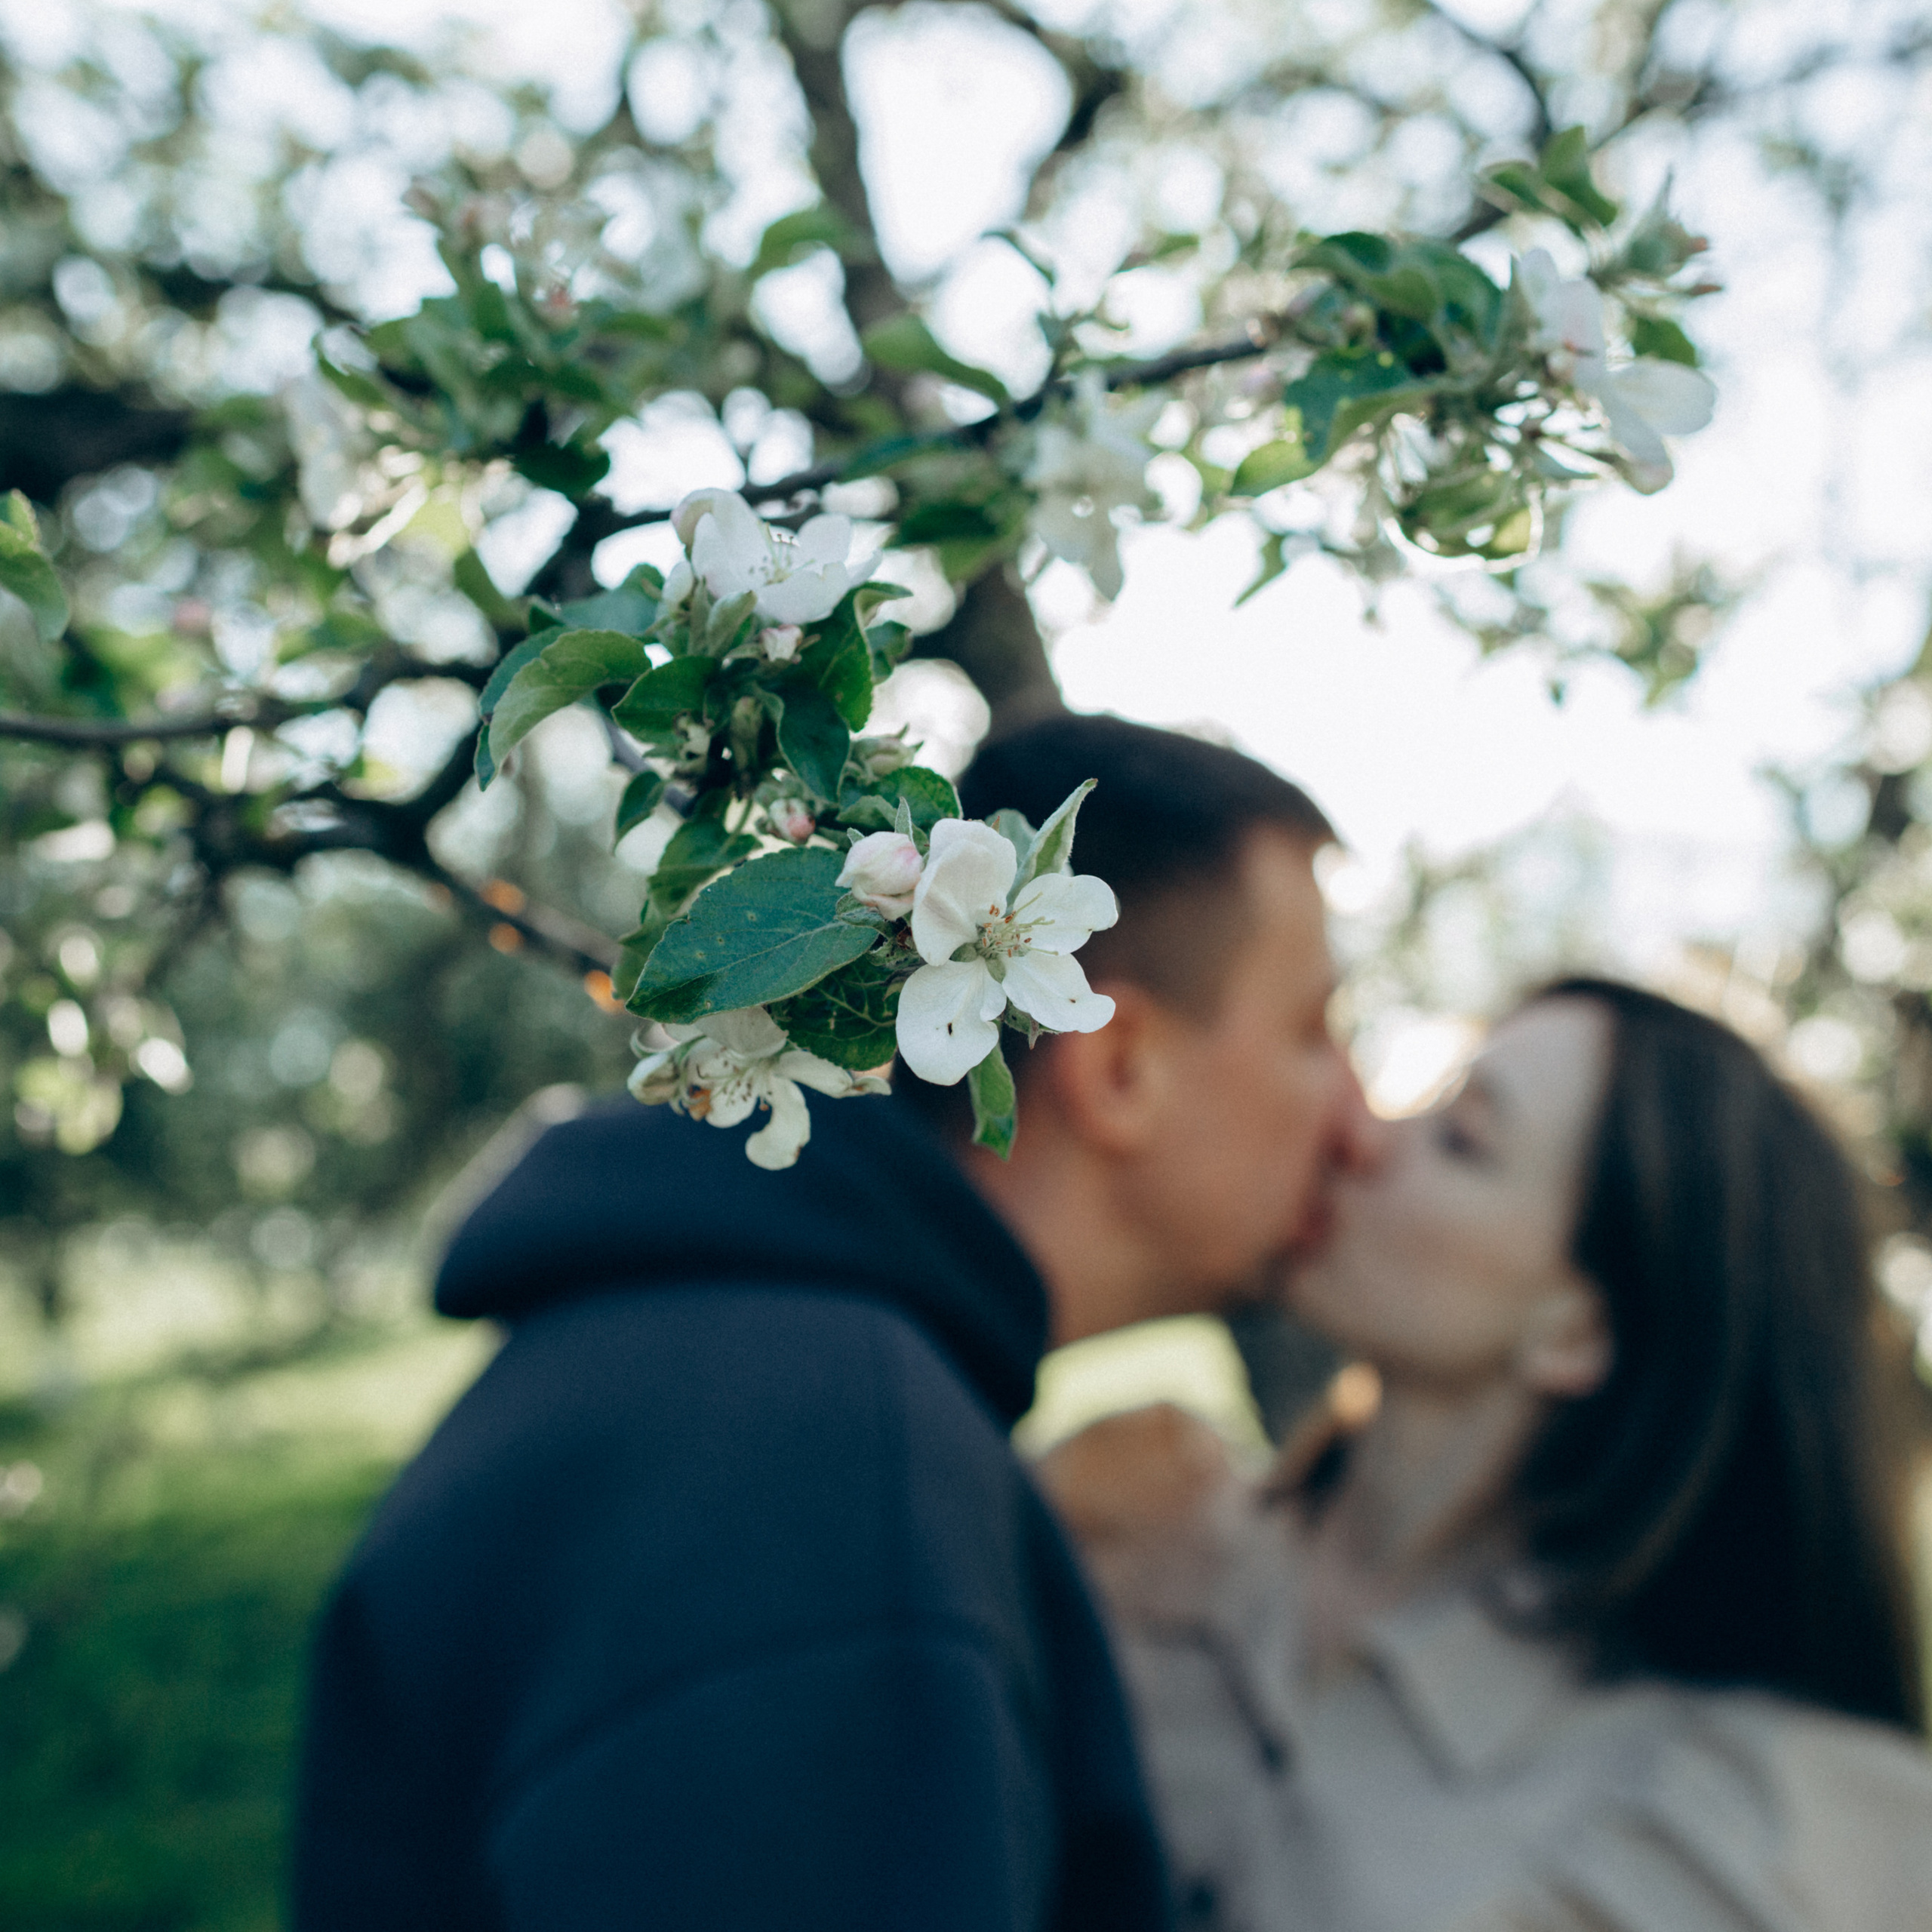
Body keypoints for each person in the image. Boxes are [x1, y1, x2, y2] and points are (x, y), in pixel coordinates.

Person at [291, 712, 1381, 1930]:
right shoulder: (824, 1467)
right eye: (1313, 1029)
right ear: (1117, 1064)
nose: (1361, 1118)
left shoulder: (771, 1373)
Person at [1045, 978, 1932, 1932]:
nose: (1362, 1134)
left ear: (1578, 1330)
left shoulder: (1744, 1822)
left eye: (1460, 1138)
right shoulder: (1129, 1526)